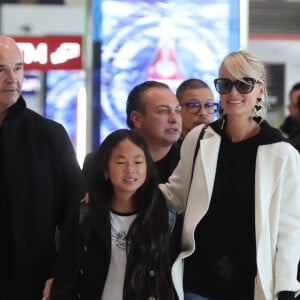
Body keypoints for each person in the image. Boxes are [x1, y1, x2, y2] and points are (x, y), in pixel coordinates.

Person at [159, 50, 300, 300]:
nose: (233, 93)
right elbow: (175, 195)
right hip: (198, 281)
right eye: (225, 85)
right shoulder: (200, 139)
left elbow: (289, 228)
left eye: (243, 85)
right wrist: (115, 189)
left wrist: (286, 286)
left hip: (252, 284)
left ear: (260, 90)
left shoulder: (282, 153)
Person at [0, 34, 85, 300]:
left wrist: (61, 272)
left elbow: (75, 213)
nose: (12, 78)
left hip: (32, 283)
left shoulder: (50, 135)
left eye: (18, 68)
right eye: (1, 69)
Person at [50, 129, 178, 300]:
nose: (130, 169)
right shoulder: (84, 214)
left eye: (138, 162)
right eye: (120, 162)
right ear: (105, 169)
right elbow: (66, 270)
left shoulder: (164, 214)